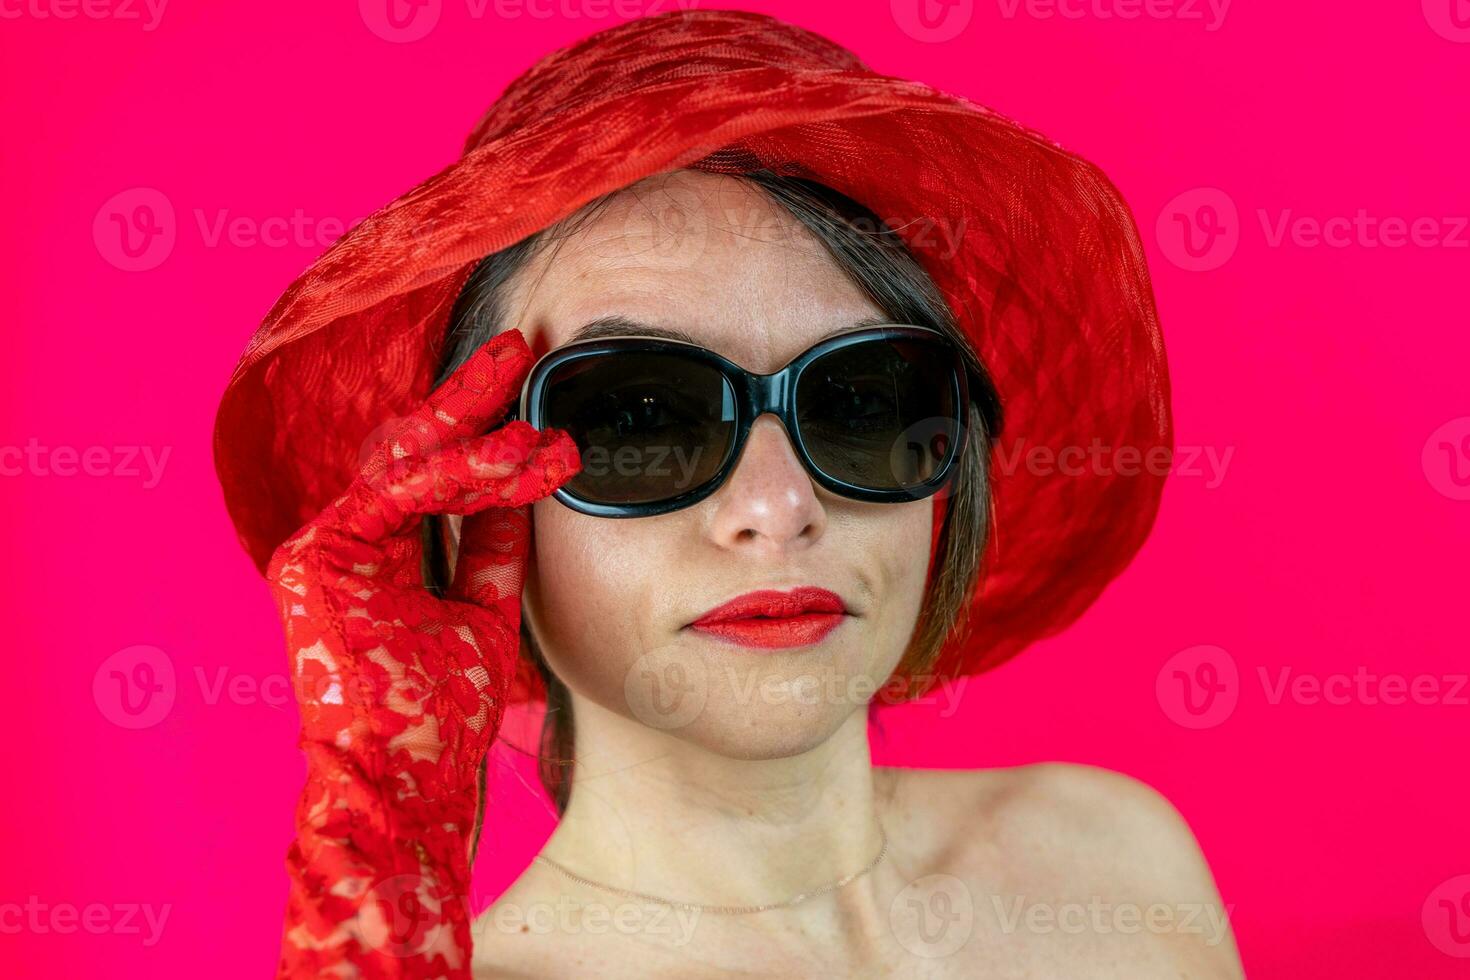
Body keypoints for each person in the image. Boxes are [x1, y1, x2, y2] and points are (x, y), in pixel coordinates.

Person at [213, 9, 1239, 978]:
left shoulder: (1112, 855)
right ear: (471, 504)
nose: (779, 506)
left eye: (860, 399)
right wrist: (388, 832)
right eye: (638, 419)